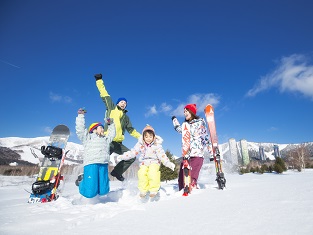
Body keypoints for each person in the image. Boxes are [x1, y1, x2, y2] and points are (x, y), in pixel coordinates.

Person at [94, 73, 141, 181]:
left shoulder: (126, 117)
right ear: (117, 103)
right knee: (102, 158)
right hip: (108, 140)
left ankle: (116, 172)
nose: (123, 103)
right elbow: (104, 94)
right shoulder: (111, 108)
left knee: (132, 157)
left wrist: (141, 137)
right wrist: (99, 80)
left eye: (125, 103)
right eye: (121, 101)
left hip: (118, 143)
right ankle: (91, 175)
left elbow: (131, 130)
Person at [117, 125, 175, 198]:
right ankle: (143, 190)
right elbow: (133, 152)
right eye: (146, 136)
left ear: (154, 137)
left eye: (150, 136)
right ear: (143, 137)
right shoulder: (140, 144)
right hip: (144, 162)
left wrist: (168, 163)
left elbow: (162, 155)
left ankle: (153, 189)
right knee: (142, 173)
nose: (148, 139)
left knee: (152, 173)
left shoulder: (157, 145)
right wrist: (123, 156)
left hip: (154, 162)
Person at [75, 108, 116, 198]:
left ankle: (95, 188)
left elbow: (112, 133)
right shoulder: (88, 138)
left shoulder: (106, 139)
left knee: (104, 191)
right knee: (90, 193)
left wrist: (110, 123)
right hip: (91, 163)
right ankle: (81, 181)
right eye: (101, 127)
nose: (103, 130)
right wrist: (81, 116)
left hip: (103, 164)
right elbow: (80, 130)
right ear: (94, 129)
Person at [172, 104, 210, 192]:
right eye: (184, 112)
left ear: (192, 111)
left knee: (191, 178)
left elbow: (205, 137)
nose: (185, 113)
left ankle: (192, 194)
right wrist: (174, 120)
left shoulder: (200, 122)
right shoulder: (185, 125)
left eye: (186, 111)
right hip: (186, 155)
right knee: (181, 181)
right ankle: (182, 195)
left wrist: (211, 151)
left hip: (197, 155)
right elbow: (179, 130)